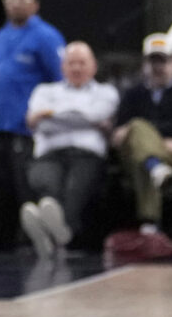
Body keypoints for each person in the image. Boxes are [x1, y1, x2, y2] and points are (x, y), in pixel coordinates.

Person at [19, 42, 118, 260]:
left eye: (82, 63)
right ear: (63, 67)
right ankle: (61, 238)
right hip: (49, 155)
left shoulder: (106, 92)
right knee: (49, 189)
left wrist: (52, 115)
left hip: (87, 155)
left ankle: (48, 236)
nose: (76, 68)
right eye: (71, 63)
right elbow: (86, 118)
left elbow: (96, 115)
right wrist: (83, 118)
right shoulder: (44, 91)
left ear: (93, 66)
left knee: (75, 189)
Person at [0, 0, 67, 247]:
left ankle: (38, 239)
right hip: (1, 125)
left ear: (35, 4)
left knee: (27, 188)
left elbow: (61, 80)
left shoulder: (46, 36)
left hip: (29, 128)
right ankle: (1, 242)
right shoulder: (1, 35)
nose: (15, 4)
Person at [115, 32, 172, 234]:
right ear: (144, 64)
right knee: (138, 135)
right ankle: (156, 167)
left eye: (163, 61)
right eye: (153, 61)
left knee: (138, 132)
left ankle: (149, 222)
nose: (158, 67)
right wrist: (155, 140)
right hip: (151, 153)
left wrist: (142, 136)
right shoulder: (132, 95)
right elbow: (118, 134)